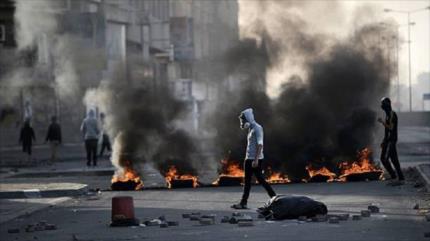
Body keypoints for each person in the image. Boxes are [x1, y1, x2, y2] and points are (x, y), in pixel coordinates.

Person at [231, 108, 276, 209]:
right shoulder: (250, 129)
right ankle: (243, 203)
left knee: (261, 180)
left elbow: (260, 145)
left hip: (255, 160)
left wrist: (256, 160)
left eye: (244, 120)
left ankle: (275, 198)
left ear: (249, 118)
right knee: (247, 182)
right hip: (248, 159)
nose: (242, 122)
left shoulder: (257, 128)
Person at [377, 97, 404, 185]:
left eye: (383, 104)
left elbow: (391, 128)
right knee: (393, 159)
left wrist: (382, 122)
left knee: (385, 158)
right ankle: (399, 176)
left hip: (392, 140)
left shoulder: (392, 114)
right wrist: (384, 140)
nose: (382, 106)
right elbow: (387, 131)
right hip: (388, 140)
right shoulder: (388, 115)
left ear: (387, 104)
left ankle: (394, 175)